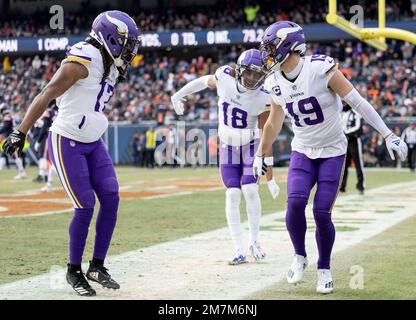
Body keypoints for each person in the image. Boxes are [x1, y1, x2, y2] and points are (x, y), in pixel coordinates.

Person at [253, 21, 408, 294]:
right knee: (295, 205)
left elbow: (358, 102)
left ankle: (324, 268)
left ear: (288, 47)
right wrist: (260, 154)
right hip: (303, 150)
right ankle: (299, 255)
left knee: (321, 212)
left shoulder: (320, 68)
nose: (266, 54)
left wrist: (386, 134)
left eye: (270, 48)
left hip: (333, 151)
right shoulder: (275, 82)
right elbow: (273, 123)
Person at [2, 10, 141, 296]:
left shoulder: (110, 62)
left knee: (111, 198)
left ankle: (97, 265)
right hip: (67, 140)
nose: (130, 51)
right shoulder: (84, 58)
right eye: (126, 44)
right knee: (85, 205)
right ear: (110, 38)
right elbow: (47, 93)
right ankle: (73, 270)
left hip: (93, 140)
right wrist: (21, 131)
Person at [171, 49, 280, 265]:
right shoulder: (225, 77)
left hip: (250, 145)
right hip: (228, 147)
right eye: (248, 72)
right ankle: (239, 249)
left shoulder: (263, 97)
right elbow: (204, 81)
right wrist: (178, 95)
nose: (251, 78)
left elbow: (267, 131)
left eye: (257, 75)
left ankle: (254, 242)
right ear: (240, 70)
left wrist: (270, 175)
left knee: (250, 190)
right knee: (232, 194)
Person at [340, 102, 365, 194]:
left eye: (345, 102)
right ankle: (342, 186)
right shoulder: (340, 113)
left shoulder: (356, 113)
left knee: (358, 164)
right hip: (344, 142)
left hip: (353, 141)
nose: (343, 104)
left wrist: (346, 133)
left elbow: (359, 128)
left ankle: (360, 186)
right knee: (344, 165)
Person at [0, 109, 27, 179]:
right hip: (12, 137)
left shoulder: (7, 117)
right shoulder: (10, 117)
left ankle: (22, 172)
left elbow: (4, 128)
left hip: (11, 138)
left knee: (14, 155)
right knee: (3, 154)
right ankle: (22, 172)